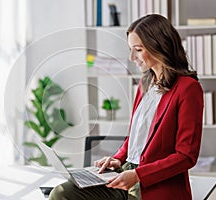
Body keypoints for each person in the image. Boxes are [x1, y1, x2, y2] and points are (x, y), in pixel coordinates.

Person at [49, 14, 203, 200]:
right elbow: (137, 136)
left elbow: (186, 156)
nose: (132, 57)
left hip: (154, 183)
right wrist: (118, 158)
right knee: (62, 193)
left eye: (138, 50)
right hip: (126, 172)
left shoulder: (188, 88)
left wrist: (139, 175)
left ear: (159, 46)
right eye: (131, 49)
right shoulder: (146, 84)